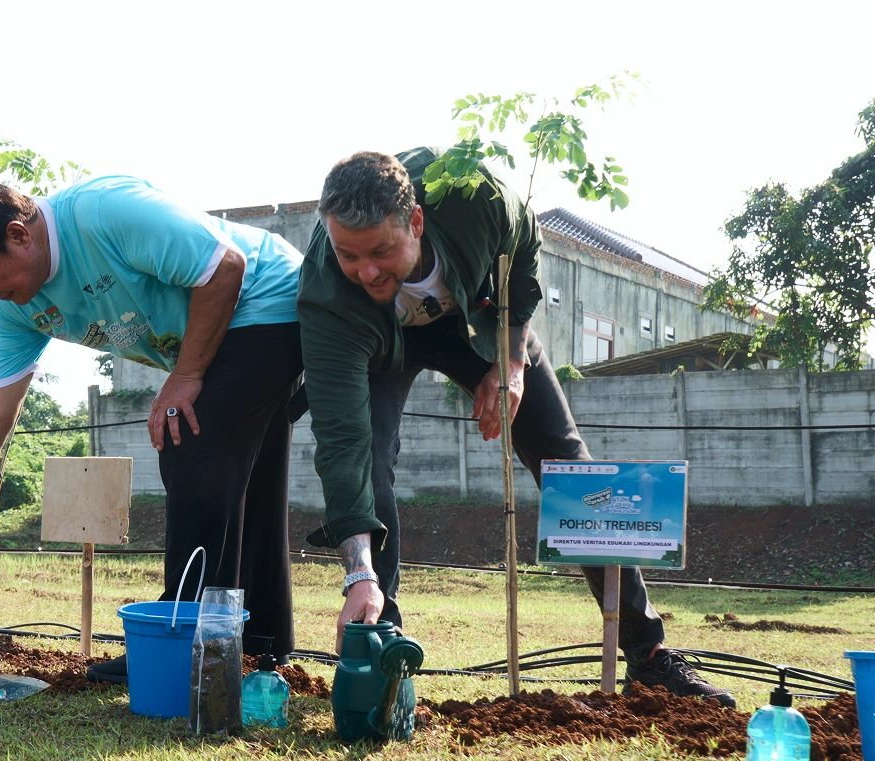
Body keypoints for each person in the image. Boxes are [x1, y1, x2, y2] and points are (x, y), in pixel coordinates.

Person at [297, 149, 735, 706]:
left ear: (416, 221)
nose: (366, 272)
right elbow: (342, 444)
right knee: (372, 463)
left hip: (481, 321)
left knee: (570, 465)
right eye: (348, 255)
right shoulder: (328, 295)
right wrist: (358, 571)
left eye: (380, 251)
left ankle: (648, 653)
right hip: (381, 346)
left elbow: (526, 243)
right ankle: (385, 648)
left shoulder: (470, 195)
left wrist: (510, 360)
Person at [0, 177, 305, 681]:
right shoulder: (16, 307)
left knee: (189, 437)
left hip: (268, 297)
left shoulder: (106, 212)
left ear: (20, 234)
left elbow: (225, 267)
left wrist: (187, 376)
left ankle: (182, 642)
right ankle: (261, 644)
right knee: (248, 471)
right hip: (228, 326)